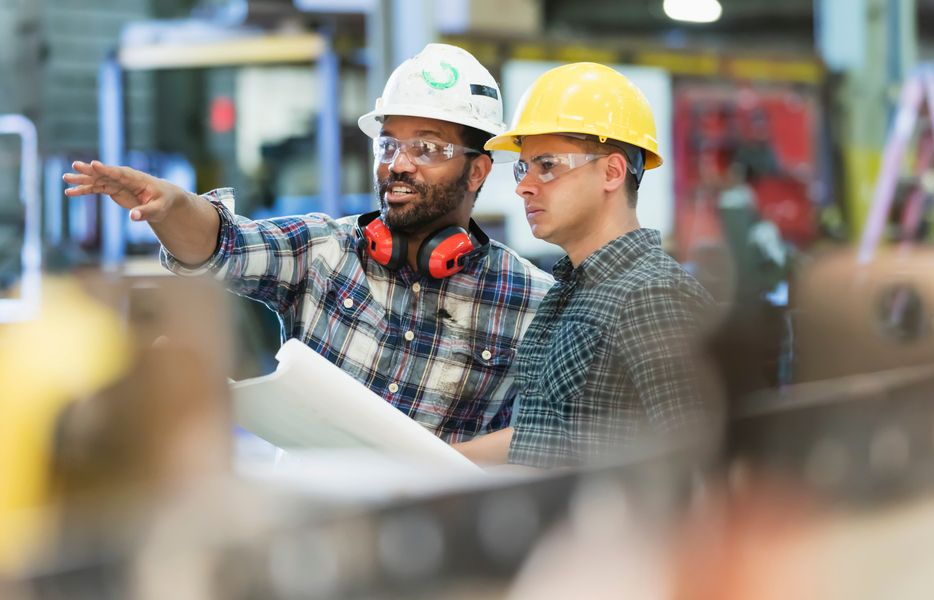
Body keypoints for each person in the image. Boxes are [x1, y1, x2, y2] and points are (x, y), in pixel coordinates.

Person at [63, 44, 553, 443]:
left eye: (426, 147)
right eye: (388, 144)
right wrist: (170, 206)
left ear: (479, 169)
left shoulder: (531, 301)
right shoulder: (324, 250)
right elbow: (222, 244)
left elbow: (542, 441)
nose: (398, 164)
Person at [453, 62, 716, 468]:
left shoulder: (653, 296)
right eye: (524, 167)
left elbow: (703, 457)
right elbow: (543, 435)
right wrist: (428, 460)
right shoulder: (570, 292)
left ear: (611, 172)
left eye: (548, 165)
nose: (524, 185)